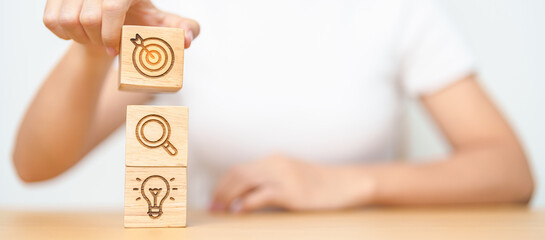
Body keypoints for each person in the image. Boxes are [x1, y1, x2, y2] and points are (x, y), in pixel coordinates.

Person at [13, 0, 533, 213]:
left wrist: (353, 182)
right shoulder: (168, 15)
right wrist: (91, 53)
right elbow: (36, 166)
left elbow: (510, 171)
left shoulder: (396, 10)